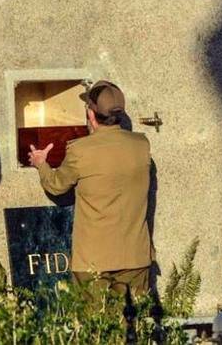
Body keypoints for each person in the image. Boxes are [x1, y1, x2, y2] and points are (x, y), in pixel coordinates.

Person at [28, 80, 153, 300]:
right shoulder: (142, 145)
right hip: (135, 256)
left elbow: (56, 186)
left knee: (96, 328)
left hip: (94, 261)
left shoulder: (81, 150)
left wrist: (41, 164)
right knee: (135, 326)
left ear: (91, 114)